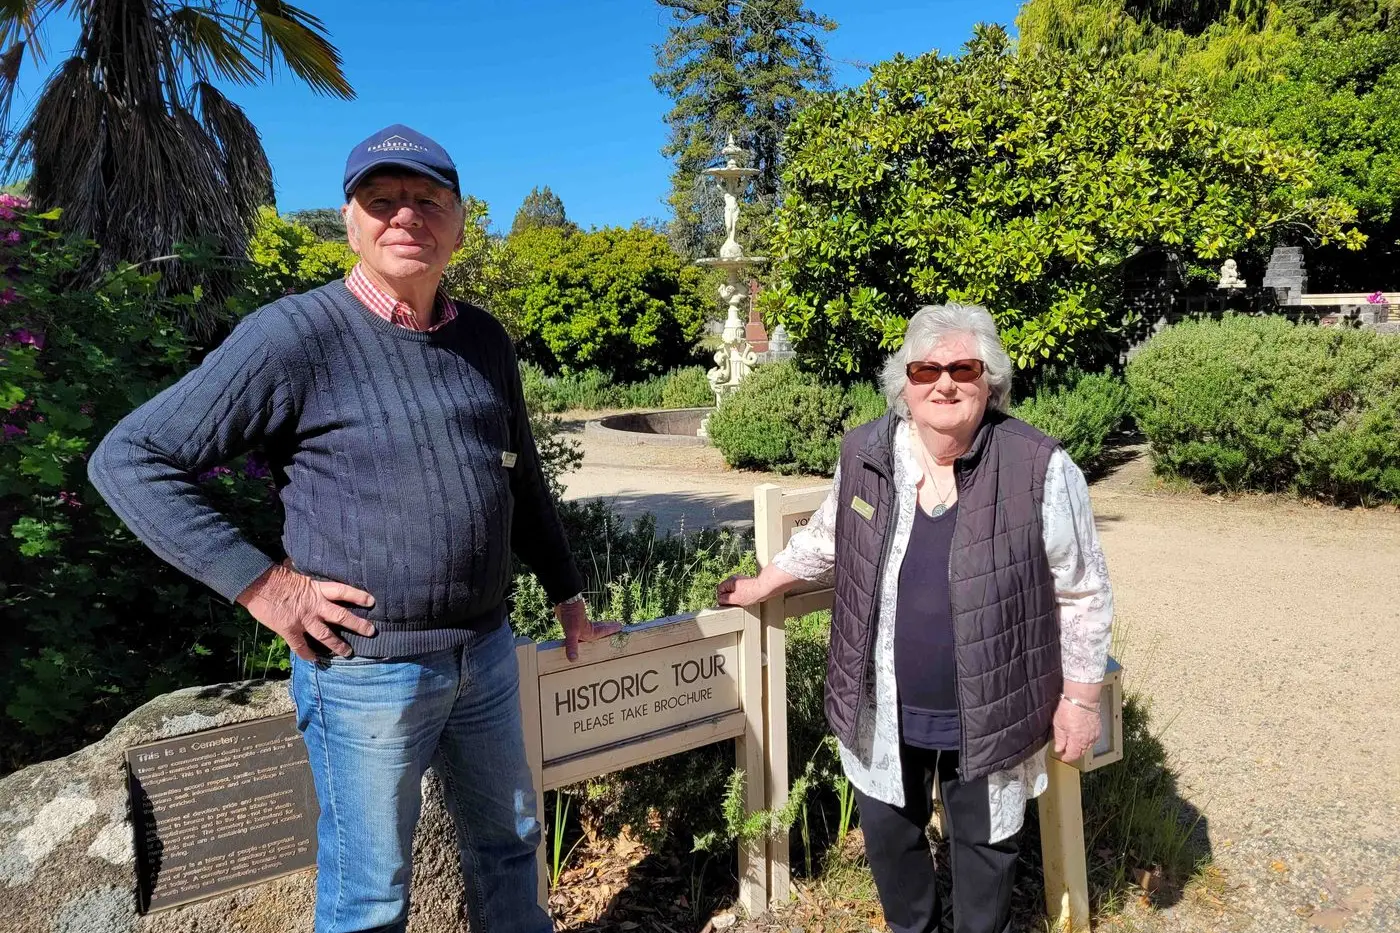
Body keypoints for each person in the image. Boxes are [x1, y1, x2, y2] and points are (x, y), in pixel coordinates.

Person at [89, 124, 619, 933]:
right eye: (382, 201)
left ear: (460, 220)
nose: (406, 216)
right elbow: (129, 457)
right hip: (366, 670)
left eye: (427, 200)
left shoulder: (483, 339)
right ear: (351, 222)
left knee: (512, 848)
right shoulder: (296, 337)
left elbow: (522, 480)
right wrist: (264, 585)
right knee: (369, 897)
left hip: (483, 654)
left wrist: (567, 592)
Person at [717, 303, 1114, 933]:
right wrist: (762, 583)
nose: (944, 383)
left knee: (985, 849)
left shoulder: (1039, 466)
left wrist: (1081, 699)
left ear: (991, 382)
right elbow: (827, 538)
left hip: (990, 702)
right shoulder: (868, 454)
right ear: (904, 383)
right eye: (926, 369)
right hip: (884, 700)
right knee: (890, 837)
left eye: (963, 368)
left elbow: (1083, 590)